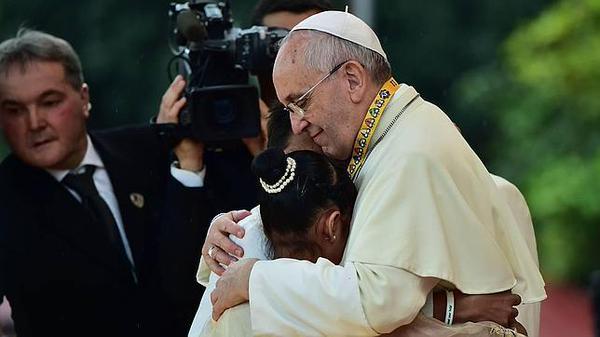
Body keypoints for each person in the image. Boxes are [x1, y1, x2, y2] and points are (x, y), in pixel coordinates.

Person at [203, 10, 547, 336]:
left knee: (244, 316)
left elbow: (377, 301)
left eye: (302, 102)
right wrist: (238, 231)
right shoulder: (385, 138)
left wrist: (256, 280)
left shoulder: (410, 152)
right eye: (289, 109)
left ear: (352, 80)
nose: (297, 123)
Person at [0, 29, 213, 337]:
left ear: (84, 98)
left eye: (49, 102)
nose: (34, 123)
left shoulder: (149, 149)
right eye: (14, 110)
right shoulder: (7, 201)